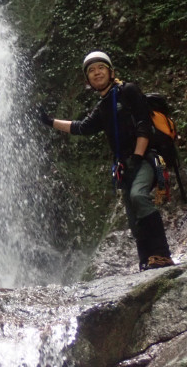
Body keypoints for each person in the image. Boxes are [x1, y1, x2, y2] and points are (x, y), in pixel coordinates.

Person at [39, 51, 174, 271]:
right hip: (125, 165)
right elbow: (82, 127)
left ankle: (161, 254)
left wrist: (137, 157)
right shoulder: (103, 106)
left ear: (111, 72)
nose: (96, 73)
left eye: (101, 68)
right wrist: (49, 121)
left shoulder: (128, 91)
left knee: (138, 196)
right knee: (132, 215)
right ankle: (147, 259)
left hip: (146, 157)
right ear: (88, 80)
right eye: (91, 71)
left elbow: (143, 125)